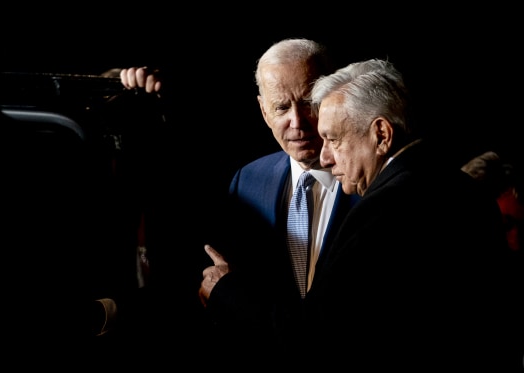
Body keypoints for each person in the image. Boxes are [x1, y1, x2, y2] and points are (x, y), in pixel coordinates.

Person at [305, 58, 521, 370]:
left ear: (381, 134)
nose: (324, 158)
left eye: (333, 139)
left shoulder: (387, 207)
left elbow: (318, 334)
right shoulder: (464, 188)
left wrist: (227, 293)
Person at [192, 38, 359, 364]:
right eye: (282, 107)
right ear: (263, 110)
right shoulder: (248, 182)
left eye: (308, 102)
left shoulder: (372, 180)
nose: (297, 123)